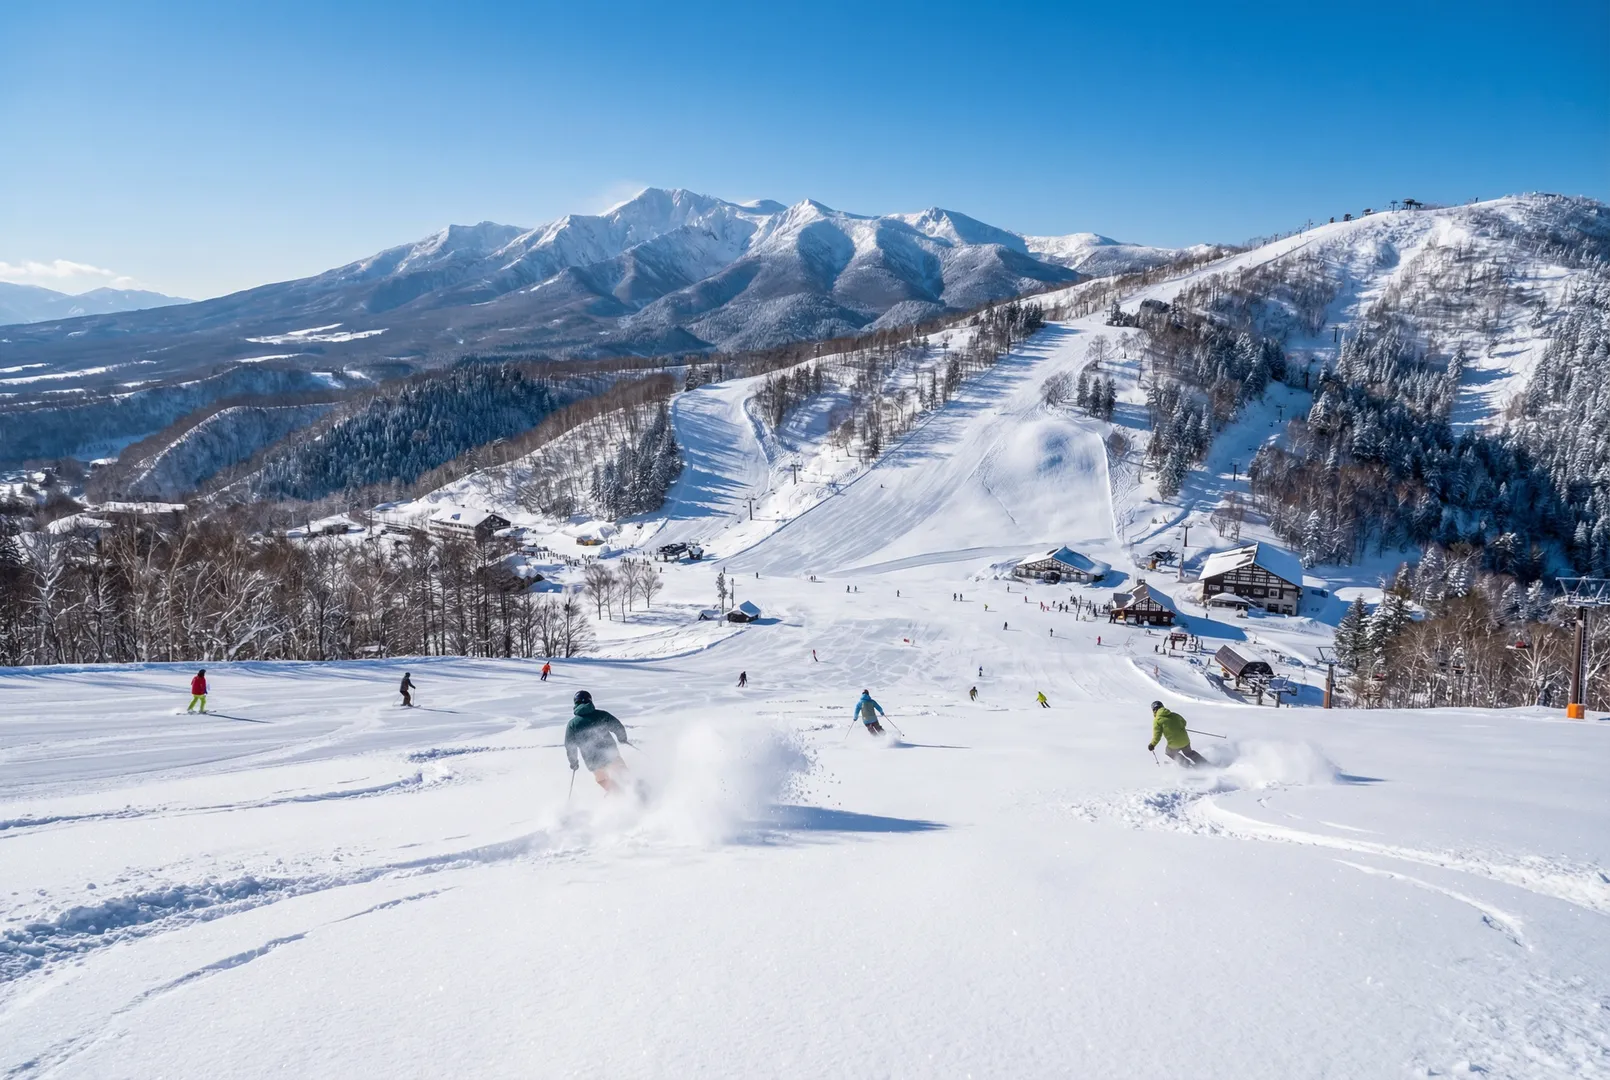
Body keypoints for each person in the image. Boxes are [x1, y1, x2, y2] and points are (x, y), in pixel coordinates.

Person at [566, 690, 633, 793]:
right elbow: (617, 726)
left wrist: (574, 762)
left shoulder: (572, 725)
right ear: (590, 700)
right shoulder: (601, 715)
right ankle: (636, 791)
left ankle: (618, 795)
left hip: (593, 762)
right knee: (623, 774)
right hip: (610, 754)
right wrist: (622, 738)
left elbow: (570, 746)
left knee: (602, 779)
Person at [1148, 700, 1207, 766]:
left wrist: (1152, 744)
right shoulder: (1174, 714)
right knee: (1189, 753)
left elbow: (1157, 736)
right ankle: (1204, 764)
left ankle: (1186, 764)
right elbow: (1184, 723)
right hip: (1185, 741)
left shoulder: (1157, 720)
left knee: (1169, 752)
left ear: (1154, 710)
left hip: (1174, 744)